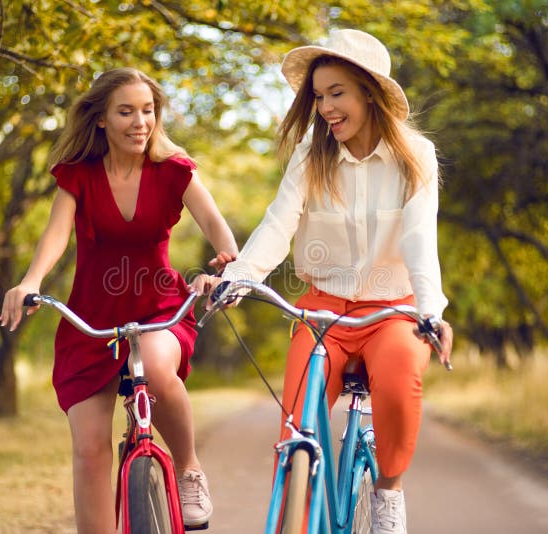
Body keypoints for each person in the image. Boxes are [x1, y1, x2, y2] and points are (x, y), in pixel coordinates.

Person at [191, 29, 453, 534]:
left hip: (392, 311)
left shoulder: (415, 155)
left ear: (369, 94)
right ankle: (297, 506)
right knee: (295, 427)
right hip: (321, 312)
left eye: (337, 93)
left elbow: (421, 239)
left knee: (400, 381)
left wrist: (430, 311)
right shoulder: (313, 152)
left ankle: (388, 494)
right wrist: (240, 280)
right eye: (318, 96)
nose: (326, 107)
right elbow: (278, 221)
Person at [0, 67, 238, 532]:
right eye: (126, 111)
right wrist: (30, 281)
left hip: (161, 309)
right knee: (89, 450)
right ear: (102, 119)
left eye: (147, 111)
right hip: (92, 321)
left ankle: (189, 470)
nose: (139, 122)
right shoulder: (78, 176)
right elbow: (56, 236)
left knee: (153, 362)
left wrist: (227, 266)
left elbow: (214, 224)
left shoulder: (174, 170)